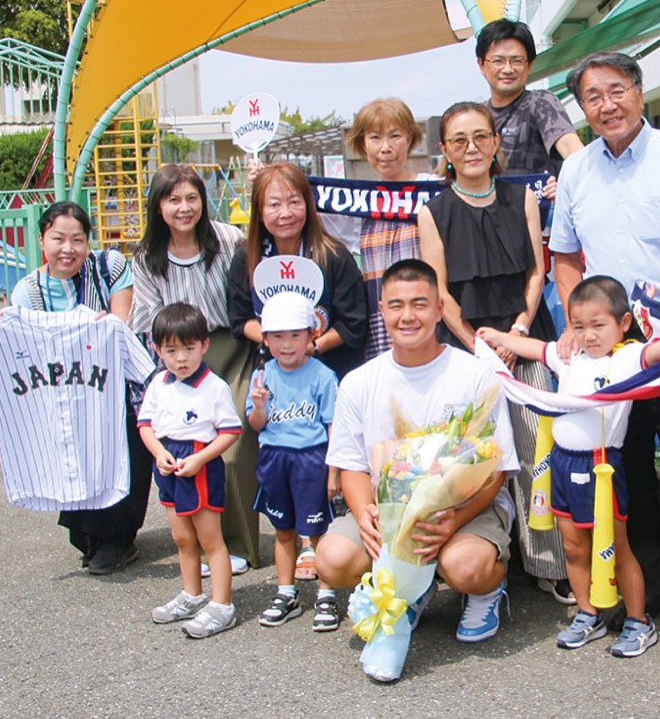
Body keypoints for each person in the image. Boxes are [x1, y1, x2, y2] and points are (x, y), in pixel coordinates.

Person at [550, 52, 660, 644]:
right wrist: (579, 325)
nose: (607, 105)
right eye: (593, 97)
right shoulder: (576, 171)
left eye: (616, 90)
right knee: (624, 469)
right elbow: (565, 256)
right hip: (610, 341)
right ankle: (646, 591)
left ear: (639, 90)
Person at [479, 276, 660, 657]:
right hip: (561, 465)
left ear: (623, 323)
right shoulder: (568, 357)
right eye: (579, 326)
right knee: (573, 547)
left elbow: (657, 352)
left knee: (618, 546)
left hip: (602, 467)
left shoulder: (625, 357)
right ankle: (587, 613)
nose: (589, 335)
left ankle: (639, 620)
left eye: (598, 325)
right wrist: (498, 337)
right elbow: (535, 348)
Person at [315, 259, 518, 646]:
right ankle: (412, 587)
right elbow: (351, 465)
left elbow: (497, 470)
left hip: (466, 508)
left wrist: (454, 519)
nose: (407, 316)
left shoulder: (475, 374)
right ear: (381, 310)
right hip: (391, 510)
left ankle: (487, 590)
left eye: (419, 304)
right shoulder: (358, 382)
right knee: (333, 559)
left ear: (440, 309)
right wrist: (365, 514)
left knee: (466, 567)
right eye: (396, 305)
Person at [419, 100, 570, 605]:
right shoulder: (433, 212)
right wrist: (480, 346)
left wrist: (519, 330)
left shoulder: (521, 198)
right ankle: (478, 563)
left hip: (525, 337)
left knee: (537, 450)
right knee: (473, 456)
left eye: (480, 137)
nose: (471, 148)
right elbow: (440, 293)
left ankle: (549, 564)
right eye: (459, 141)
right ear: (445, 150)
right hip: (467, 347)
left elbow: (536, 272)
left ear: (495, 142)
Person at [9, 201, 152, 574]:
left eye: (77, 239)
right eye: (58, 238)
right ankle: (90, 537)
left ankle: (119, 538)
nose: (67, 248)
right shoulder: (28, 291)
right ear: (42, 240)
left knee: (123, 455)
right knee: (75, 461)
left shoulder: (109, 267)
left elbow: (120, 325)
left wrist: (103, 326)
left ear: (89, 241)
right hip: (65, 394)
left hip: (115, 387)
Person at [132, 163, 260, 574]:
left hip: (230, 347)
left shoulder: (227, 238)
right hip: (180, 358)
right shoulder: (147, 257)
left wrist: (258, 187)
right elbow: (150, 316)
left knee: (233, 449)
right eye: (173, 200)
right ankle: (206, 546)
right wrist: (170, 362)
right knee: (188, 447)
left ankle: (239, 545)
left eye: (192, 198)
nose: (184, 207)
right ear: (158, 206)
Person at [138, 303, 241, 638]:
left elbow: (230, 432)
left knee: (211, 540)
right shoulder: (158, 383)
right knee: (181, 538)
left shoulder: (215, 387)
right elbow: (145, 425)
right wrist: (159, 453)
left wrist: (200, 459)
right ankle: (192, 594)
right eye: (171, 350)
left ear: (204, 345)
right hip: (169, 464)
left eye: (189, 348)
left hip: (200, 465)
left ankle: (222, 605)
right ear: (157, 350)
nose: (180, 358)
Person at [247, 292, 340, 632]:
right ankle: (286, 593)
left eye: (295, 335)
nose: (286, 344)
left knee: (318, 531)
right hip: (274, 458)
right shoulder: (262, 376)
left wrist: (334, 472)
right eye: (277, 336)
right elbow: (256, 425)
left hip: (311, 459)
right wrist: (259, 406)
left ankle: (326, 594)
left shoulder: (323, 375)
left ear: (311, 335)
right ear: (265, 339)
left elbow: (333, 427)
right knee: (283, 529)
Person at [227, 161, 368, 382]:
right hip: (273, 373)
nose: (285, 213)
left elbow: (353, 323)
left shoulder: (335, 257)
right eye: (274, 205)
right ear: (260, 211)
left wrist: (310, 347)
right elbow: (240, 318)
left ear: (308, 205)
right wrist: (279, 344)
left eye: (294, 202)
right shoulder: (246, 258)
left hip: (329, 371)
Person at [324, 97, 438, 361]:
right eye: (375, 138)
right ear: (362, 145)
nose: (385, 148)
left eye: (395, 136)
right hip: (382, 330)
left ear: (410, 139)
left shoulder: (433, 189)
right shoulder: (356, 202)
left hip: (431, 318)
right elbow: (303, 207)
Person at [476, 19, 582, 178]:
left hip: (538, 194)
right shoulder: (477, 116)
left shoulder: (540, 103)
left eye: (517, 61)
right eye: (498, 61)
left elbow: (570, 147)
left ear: (529, 65)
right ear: (481, 65)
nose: (508, 69)